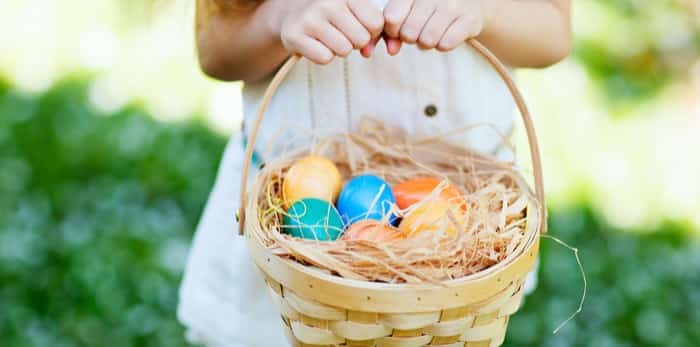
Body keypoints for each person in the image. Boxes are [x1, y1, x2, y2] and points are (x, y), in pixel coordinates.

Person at [179, 0, 571, 346]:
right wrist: (279, 17)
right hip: (285, 251)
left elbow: (554, 31)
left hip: (460, 250)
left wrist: (485, 10)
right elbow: (216, 48)